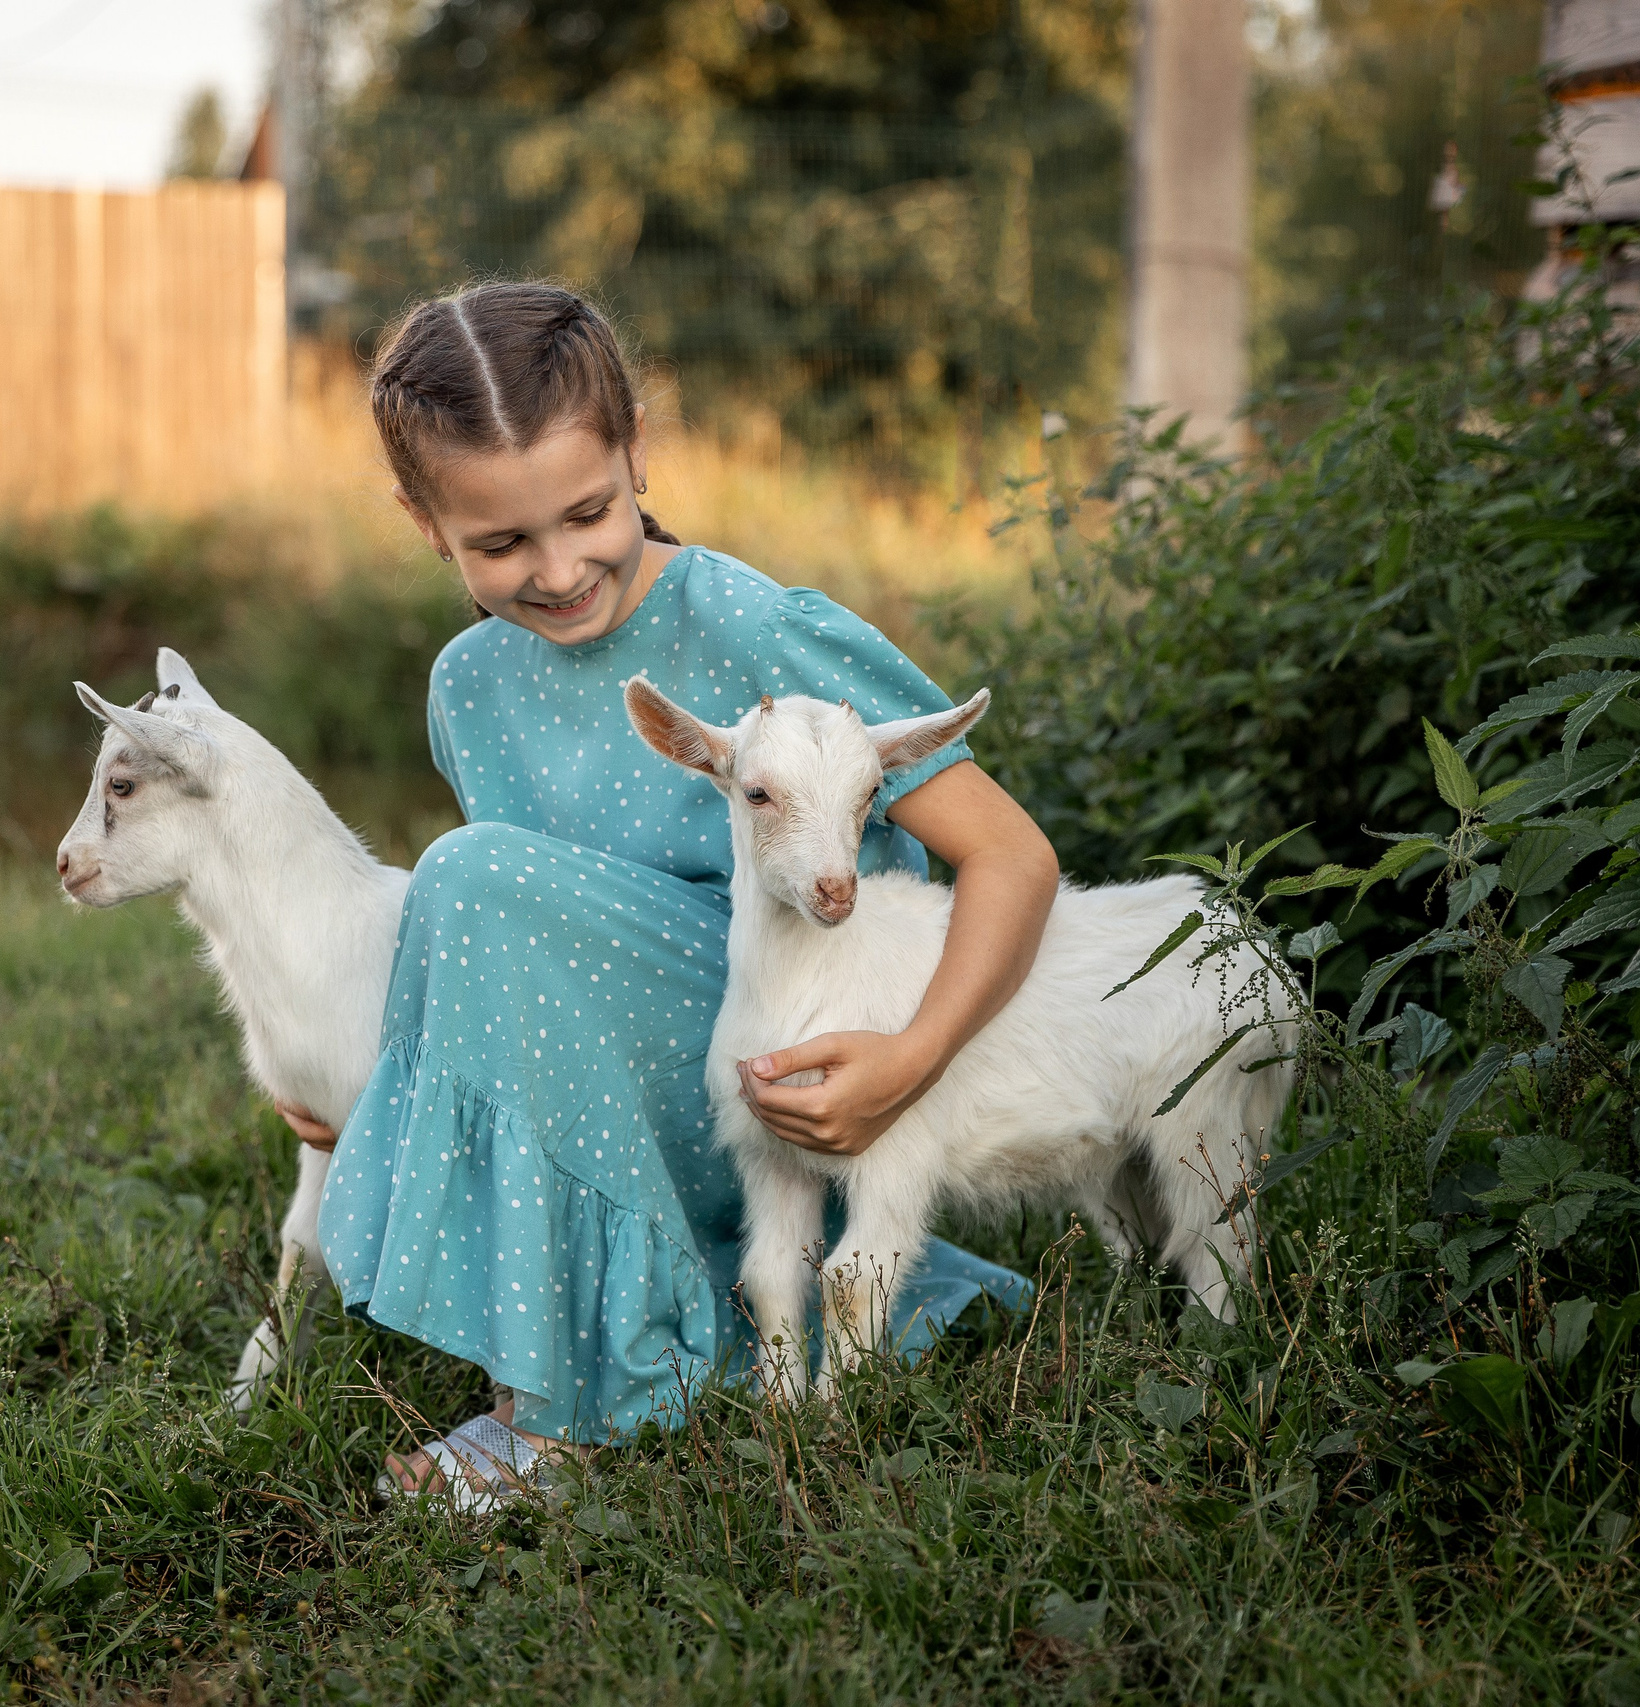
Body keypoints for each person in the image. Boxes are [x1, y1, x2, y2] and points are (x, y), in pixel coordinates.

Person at [273, 282, 1058, 1507]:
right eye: (497, 544)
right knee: (467, 885)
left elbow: (1013, 857)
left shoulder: (750, 626)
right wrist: (393, 1065)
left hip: (800, 1056)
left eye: (587, 512)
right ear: (424, 524)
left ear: (639, 447)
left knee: (461, 873)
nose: (556, 568)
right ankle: (620, 1341)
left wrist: (913, 1058)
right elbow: (521, 953)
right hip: (640, 1075)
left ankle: (570, 1413)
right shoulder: (467, 687)